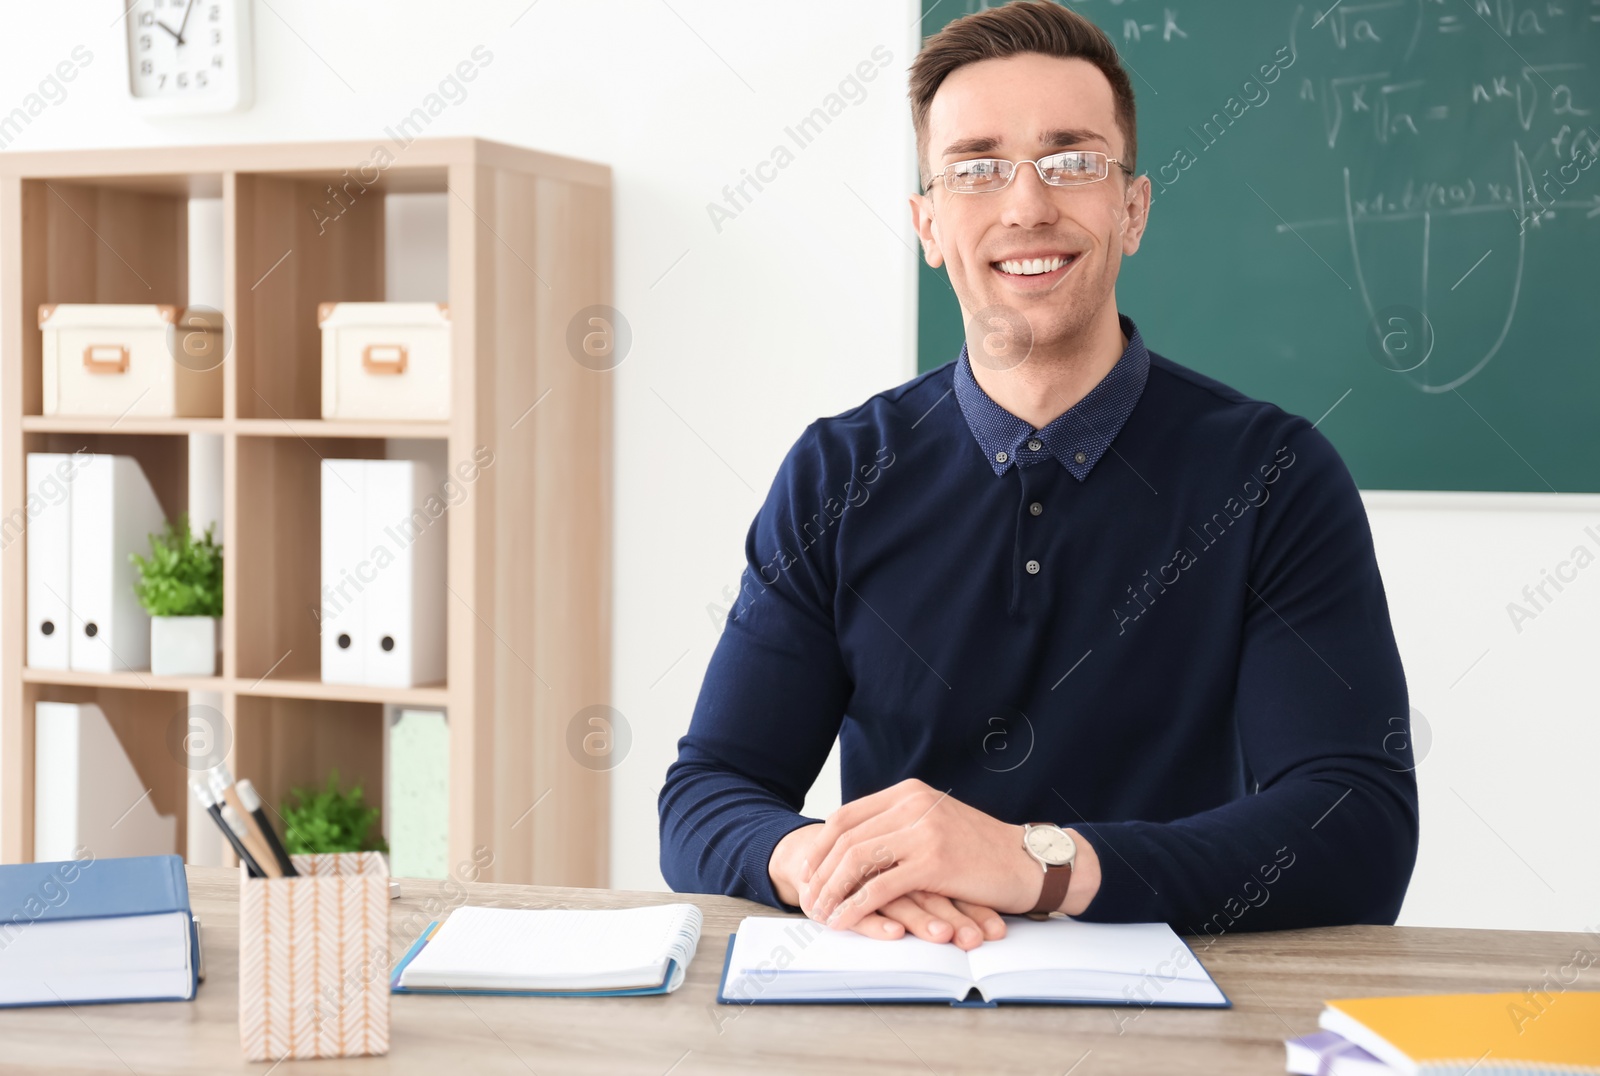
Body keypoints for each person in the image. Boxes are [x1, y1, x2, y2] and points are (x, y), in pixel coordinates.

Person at [659, 0, 1418, 951]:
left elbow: (1356, 825)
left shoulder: (1273, 474)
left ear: (1132, 209)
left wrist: (1039, 866)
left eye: (1072, 161)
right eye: (976, 167)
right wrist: (823, 864)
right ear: (929, 224)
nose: (1026, 205)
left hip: (1176, 1013)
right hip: (901, 991)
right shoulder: (836, 473)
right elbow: (707, 794)